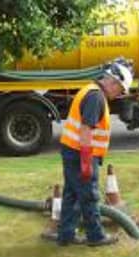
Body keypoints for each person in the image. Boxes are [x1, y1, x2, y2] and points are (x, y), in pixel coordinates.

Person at [57, 61, 133, 247]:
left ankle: (66, 235)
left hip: (71, 150)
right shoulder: (96, 97)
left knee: (72, 194)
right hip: (80, 153)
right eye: (121, 90)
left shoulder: (90, 90)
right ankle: (96, 236)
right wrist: (86, 162)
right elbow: (85, 129)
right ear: (113, 82)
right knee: (89, 196)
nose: (119, 94)